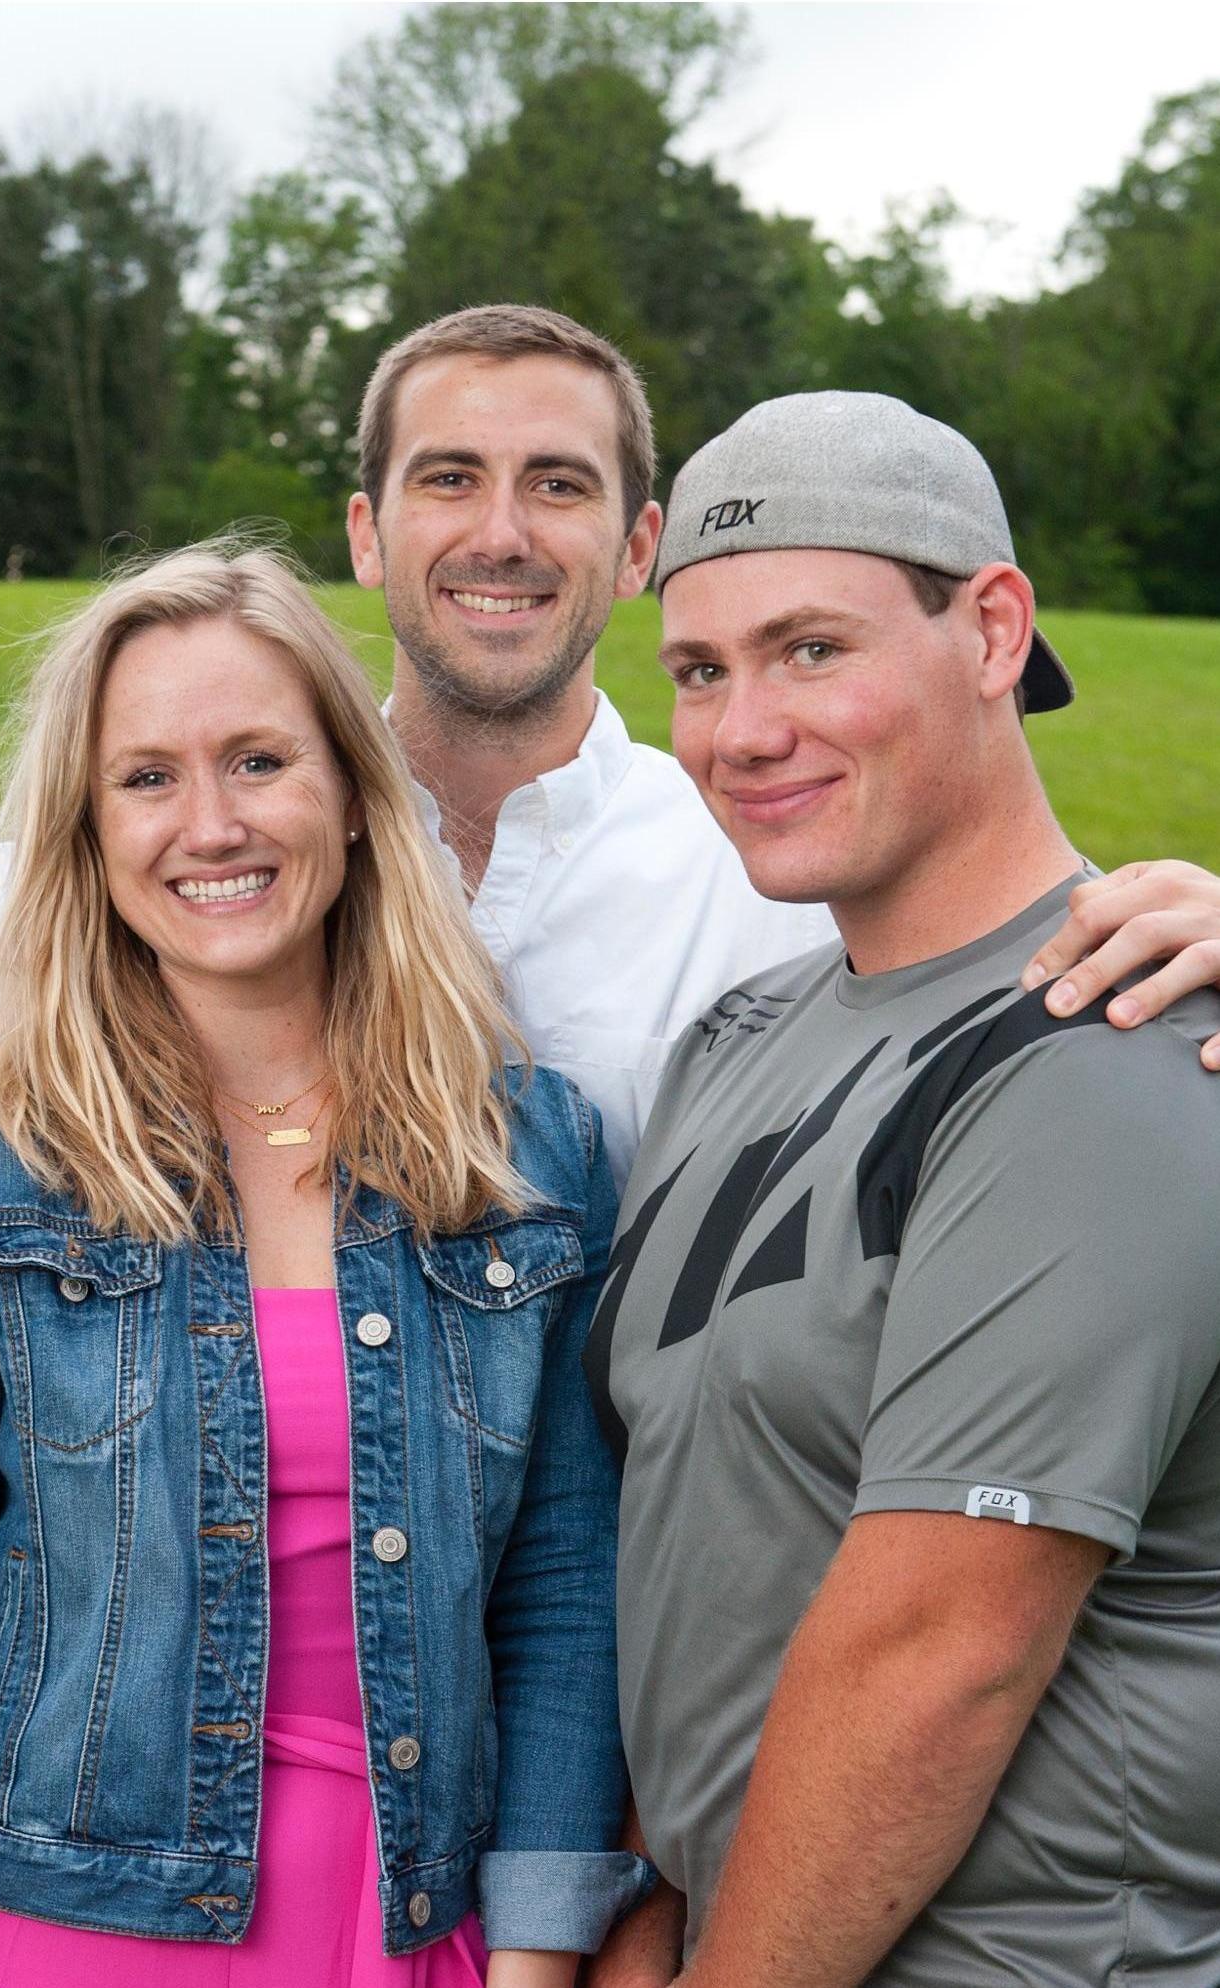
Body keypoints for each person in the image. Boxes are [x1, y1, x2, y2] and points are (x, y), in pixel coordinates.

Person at [0, 308, 1220, 1183]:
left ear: (635, 545)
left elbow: (983, 962)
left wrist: (1173, 916)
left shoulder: (758, 855)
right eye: (445, 476)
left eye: (556, 485)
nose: (499, 531)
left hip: (628, 1684)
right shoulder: (201, 842)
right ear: (367, 533)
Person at [0, 542, 645, 1988]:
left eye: (258, 760)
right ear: (88, 833)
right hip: (69, 1939)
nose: (212, 824)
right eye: (148, 778)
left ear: (356, 802)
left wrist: (540, 1951)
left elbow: (564, 1585)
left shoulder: (526, 1158)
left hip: (423, 1935)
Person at [588, 391, 1220, 1986]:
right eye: (699, 670)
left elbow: (943, 1651)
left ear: (994, 630)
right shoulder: (732, 1048)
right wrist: (660, 1903)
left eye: (813, 650)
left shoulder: (1112, 1040)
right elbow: (711, 1540)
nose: (740, 730)